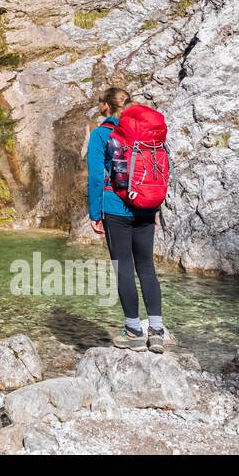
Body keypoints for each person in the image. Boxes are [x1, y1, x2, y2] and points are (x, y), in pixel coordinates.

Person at [86, 87, 165, 353]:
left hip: (116, 208)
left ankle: (133, 330)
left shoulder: (101, 134)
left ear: (106, 106)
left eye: (100, 103)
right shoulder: (147, 134)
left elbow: (97, 177)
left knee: (123, 268)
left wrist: (95, 214)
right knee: (147, 268)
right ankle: (156, 331)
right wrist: (154, 208)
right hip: (145, 207)